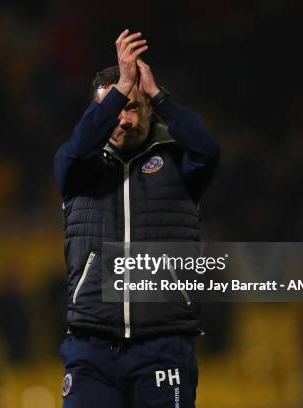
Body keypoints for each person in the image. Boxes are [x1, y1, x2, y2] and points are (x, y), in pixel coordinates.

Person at [53, 29, 220, 407]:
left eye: (133, 107)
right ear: (98, 113)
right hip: (91, 347)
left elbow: (208, 150)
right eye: (114, 109)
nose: (124, 120)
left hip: (163, 345)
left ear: (149, 110)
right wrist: (123, 85)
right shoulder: (76, 166)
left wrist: (159, 96)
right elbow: (79, 147)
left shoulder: (179, 162)